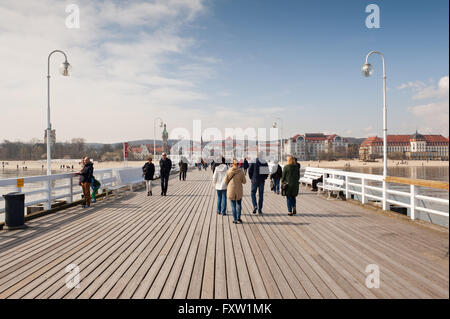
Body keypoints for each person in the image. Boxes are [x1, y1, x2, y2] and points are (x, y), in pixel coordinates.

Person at [226, 159, 247, 224]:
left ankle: (235, 219)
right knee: (239, 204)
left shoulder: (229, 171)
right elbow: (244, 182)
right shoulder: (241, 172)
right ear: (238, 164)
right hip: (238, 190)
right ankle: (238, 218)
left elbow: (226, 181)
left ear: (232, 164)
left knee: (233, 205)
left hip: (231, 190)